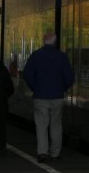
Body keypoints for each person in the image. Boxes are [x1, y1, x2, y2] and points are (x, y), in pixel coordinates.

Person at [23, 32, 74, 162]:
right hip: (57, 96)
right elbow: (69, 77)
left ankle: (42, 153)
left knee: (41, 124)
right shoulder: (61, 57)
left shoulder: (36, 56)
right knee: (56, 124)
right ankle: (55, 153)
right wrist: (62, 88)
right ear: (55, 42)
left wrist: (35, 87)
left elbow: (27, 74)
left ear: (43, 41)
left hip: (40, 96)